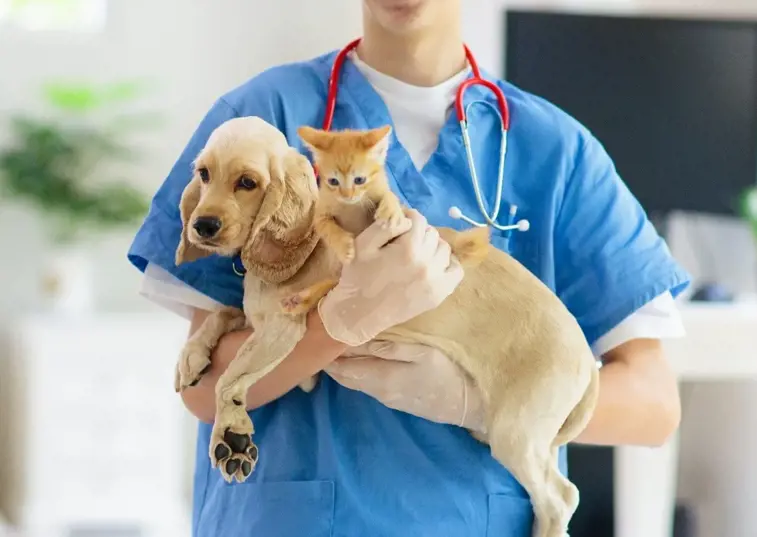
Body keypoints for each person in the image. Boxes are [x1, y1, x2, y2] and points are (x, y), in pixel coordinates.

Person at [127, 0, 691, 535]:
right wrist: (337, 325)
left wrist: (483, 403)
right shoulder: (262, 122)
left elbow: (653, 405)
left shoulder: (556, 151)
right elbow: (203, 393)